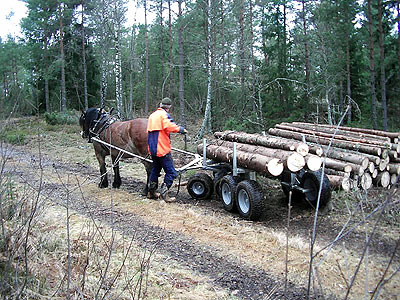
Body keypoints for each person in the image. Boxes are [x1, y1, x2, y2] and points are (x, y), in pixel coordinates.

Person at [147, 97, 187, 202]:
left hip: (152, 149)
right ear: (168, 107)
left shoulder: (152, 115)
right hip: (162, 149)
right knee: (171, 172)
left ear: (160, 105)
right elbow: (169, 126)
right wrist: (181, 130)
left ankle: (151, 193)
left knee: (155, 170)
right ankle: (164, 195)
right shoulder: (163, 115)